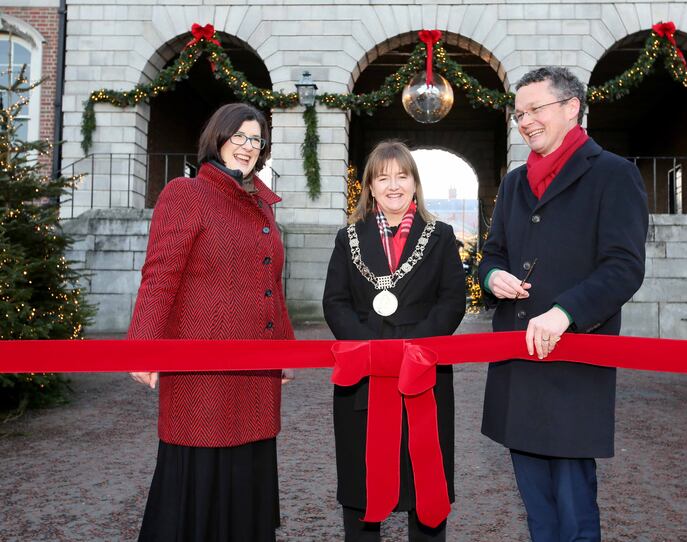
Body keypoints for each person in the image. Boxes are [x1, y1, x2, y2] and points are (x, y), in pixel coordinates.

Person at [478, 67, 648, 541]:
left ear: (572, 107)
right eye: (519, 113)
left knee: (574, 507)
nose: (525, 121)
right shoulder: (513, 183)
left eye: (535, 109)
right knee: (536, 505)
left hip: (574, 359)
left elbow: (623, 267)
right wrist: (494, 276)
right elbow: (490, 254)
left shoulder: (615, 174)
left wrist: (566, 311)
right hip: (517, 360)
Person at [128, 102, 294, 541]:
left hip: (256, 371)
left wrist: (287, 351)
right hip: (203, 373)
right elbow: (160, 273)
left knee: (247, 473)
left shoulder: (262, 203)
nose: (247, 146)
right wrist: (142, 347)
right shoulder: (186, 193)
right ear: (217, 139)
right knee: (198, 472)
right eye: (238, 136)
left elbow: (271, 284)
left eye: (255, 139)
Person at [323, 140, 466, 541]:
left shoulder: (440, 235)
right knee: (363, 486)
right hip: (363, 376)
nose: (393, 185)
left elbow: (452, 300)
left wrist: (412, 348)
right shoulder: (347, 237)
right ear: (369, 187)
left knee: (425, 485)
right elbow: (335, 303)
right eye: (383, 177)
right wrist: (373, 350)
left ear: (415, 184)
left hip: (425, 372)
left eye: (402, 176)